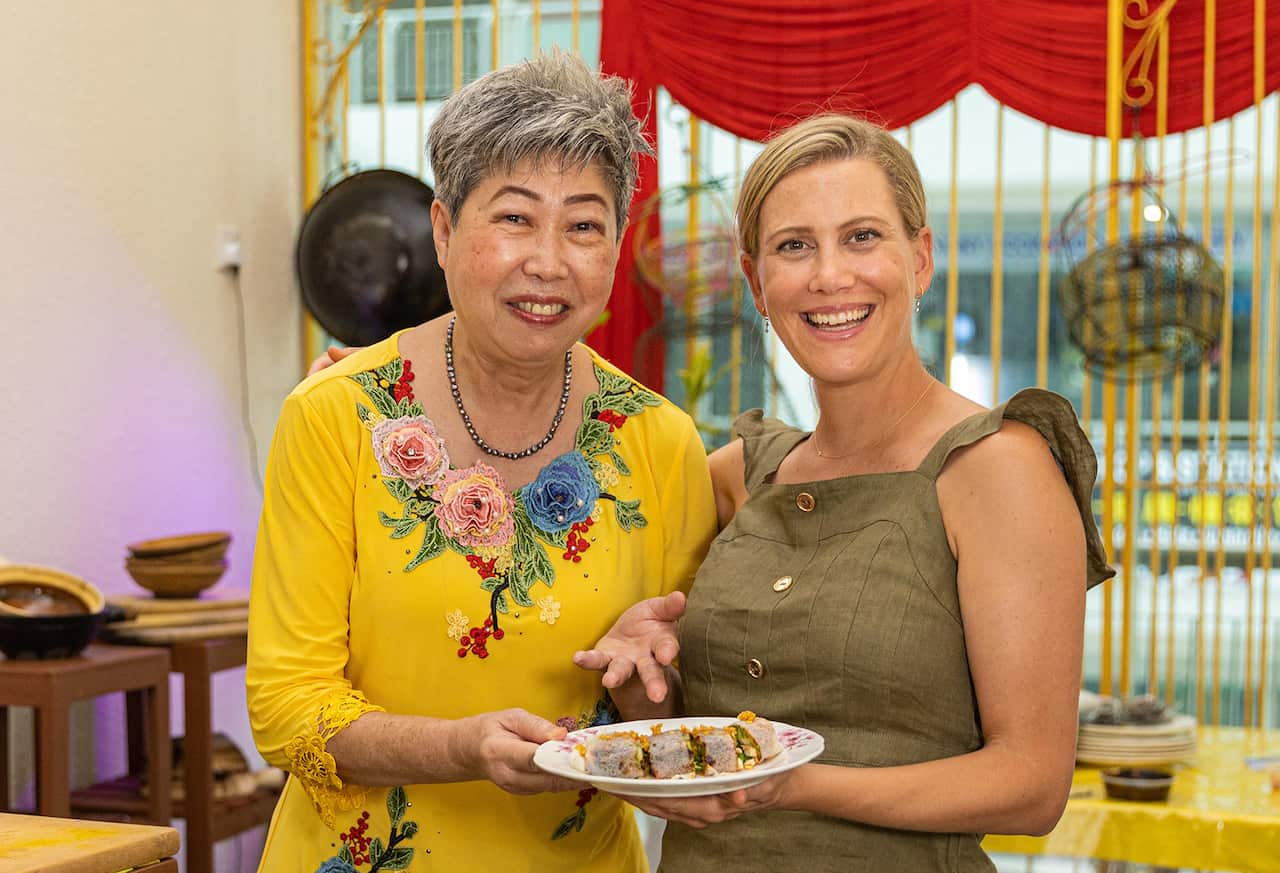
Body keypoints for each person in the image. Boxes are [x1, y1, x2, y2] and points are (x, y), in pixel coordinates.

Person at [572, 114, 1113, 873]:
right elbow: (699, 745)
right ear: (758, 283)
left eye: (862, 236)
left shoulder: (999, 465)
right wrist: (641, 678)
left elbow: (1030, 783)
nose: (830, 275)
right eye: (795, 246)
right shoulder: (738, 475)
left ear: (920, 259)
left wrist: (794, 785)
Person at [247, 50, 717, 873]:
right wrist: (464, 747)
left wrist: (648, 685)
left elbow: (678, 718)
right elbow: (287, 710)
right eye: (514, 218)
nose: (549, 261)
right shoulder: (336, 418)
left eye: (583, 224)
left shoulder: (660, 440)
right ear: (442, 229)